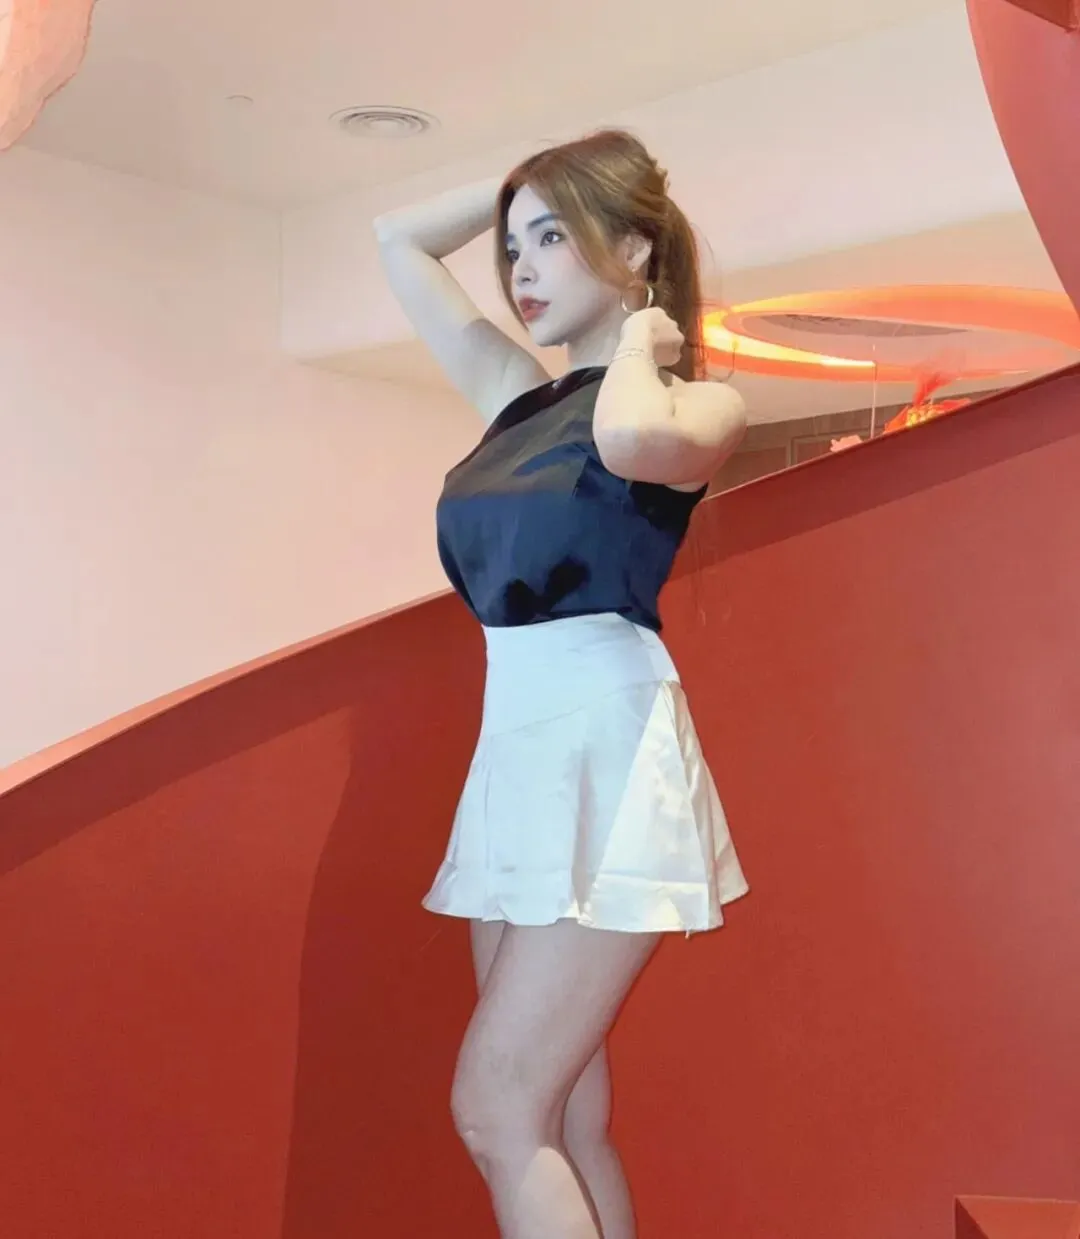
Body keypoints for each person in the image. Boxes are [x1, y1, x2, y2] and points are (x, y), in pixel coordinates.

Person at [374, 128, 749, 1239]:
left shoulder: (698, 404)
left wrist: (640, 334)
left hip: (607, 736)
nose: (520, 268)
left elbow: (628, 434)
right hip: (519, 744)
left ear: (632, 248)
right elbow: (397, 241)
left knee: (496, 1108)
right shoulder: (515, 398)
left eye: (551, 238)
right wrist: (526, 176)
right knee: (566, 1117)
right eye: (513, 244)